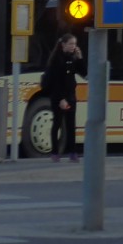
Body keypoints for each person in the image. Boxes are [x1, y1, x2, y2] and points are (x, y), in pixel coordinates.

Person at [45, 33, 86, 162]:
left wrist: (79, 58)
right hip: (59, 97)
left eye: (75, 44)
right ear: (63, 44)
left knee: (71, 124)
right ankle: (55, 152)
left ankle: (73, 152)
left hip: (71, 95)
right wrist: (61, 99)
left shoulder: (72, 58)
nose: (73, 46)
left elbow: (84, 73)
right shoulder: (57, 59)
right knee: (57, 123)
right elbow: (55, 81)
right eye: (71, 44)